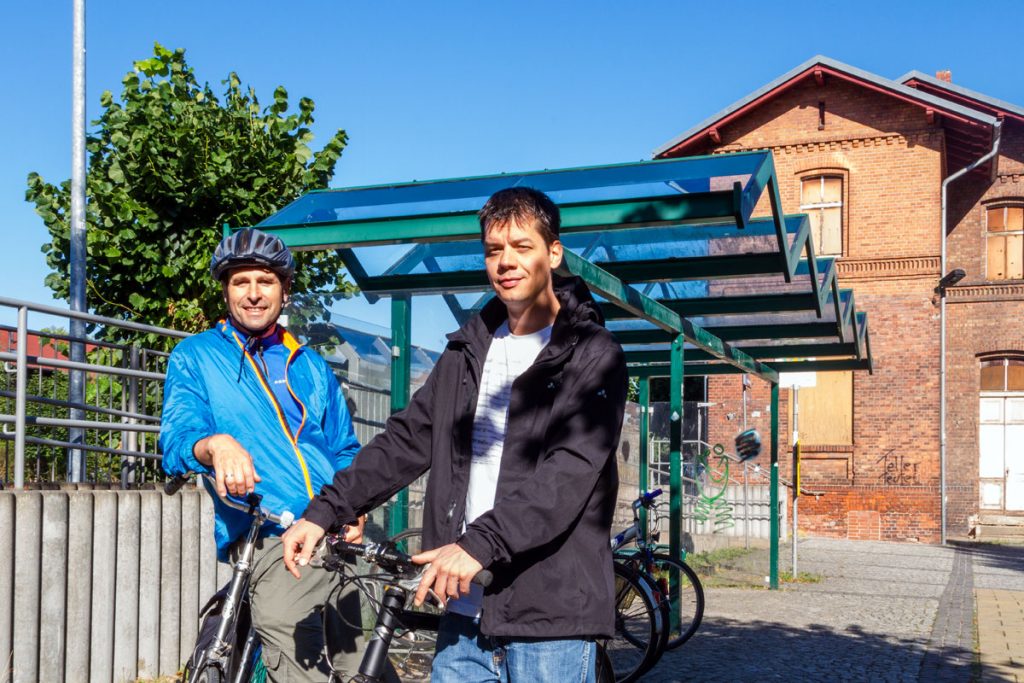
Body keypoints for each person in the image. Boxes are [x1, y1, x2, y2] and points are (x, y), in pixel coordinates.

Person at [282, 187, 628, 682]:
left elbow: (567, 474)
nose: (506, 262)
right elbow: (406, 441)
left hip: (550, 617)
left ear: (553, 253)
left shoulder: (592, 354)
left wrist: (477, 544)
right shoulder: (468, 352)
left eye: (521, 247)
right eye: (493, 250)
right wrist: (326, 510)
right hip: (464, 614)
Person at [160, 227, 376, 682]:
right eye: (241, 282)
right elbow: (177, 437)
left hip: (336, 529)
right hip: (273, 532)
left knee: (362, 659)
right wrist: (215, 445)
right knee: (289, 635)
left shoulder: (310, 364)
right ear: (226, 291)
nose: (254, 294)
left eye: (266, 281)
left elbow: (343, 448)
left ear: (284, 290)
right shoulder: (196, 356)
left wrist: (355, 503)